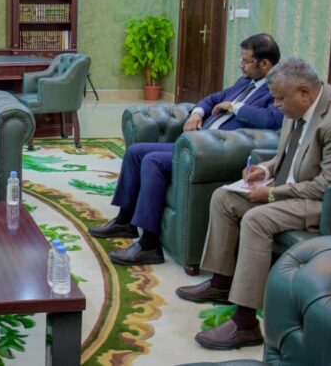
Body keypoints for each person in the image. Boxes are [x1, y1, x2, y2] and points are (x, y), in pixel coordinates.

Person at [176, 57, 331, 350]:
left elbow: (328, 186)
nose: (275, 106)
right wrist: (264, 171)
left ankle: (245, 323)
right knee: (224, 197)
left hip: (325, 203)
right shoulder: (295, 107)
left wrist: (272, 194)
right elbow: (288, 156)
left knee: (256, 219)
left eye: (279, 99)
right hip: (293, 190)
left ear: (304, 92)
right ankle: (221, 283)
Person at [88, 34, 284, 266]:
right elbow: (213, 99)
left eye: (246, 61)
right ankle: (125, 221)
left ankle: (149, 245)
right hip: (195, 143)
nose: (241, 65)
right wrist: (196, 114)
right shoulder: (246, 82)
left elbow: (272, 118)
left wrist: (234, 106)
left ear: (265, 63)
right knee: (136, 152)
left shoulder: (277, 89)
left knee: (152, 161)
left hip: (212, 153)